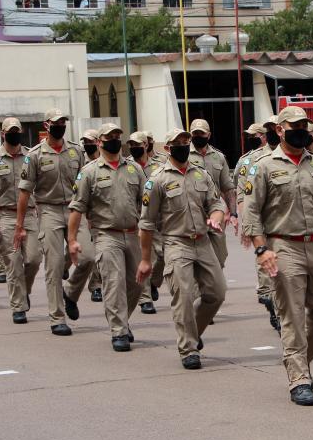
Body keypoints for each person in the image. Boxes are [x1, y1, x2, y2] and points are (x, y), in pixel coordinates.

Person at [242, 106, 313, 406]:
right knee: (292, 314)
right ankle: (299, 378)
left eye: (305, 125)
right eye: (295, 126)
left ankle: (299, 360)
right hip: (283, 245)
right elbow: (250, 210)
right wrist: (262, 248)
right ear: (280, 130)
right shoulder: (263, 166)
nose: (301, 130)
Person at [138, 127, 226, 367]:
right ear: (167, 148)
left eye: (186, 141)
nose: (184, 144)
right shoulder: (156, 181)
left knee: (216, 293)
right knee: (184, 296)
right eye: (178, 142)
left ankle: (193, 332)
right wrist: (146, 260)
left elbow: (217, 203)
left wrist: (217, 217)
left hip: (204, 241)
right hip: (176, 243)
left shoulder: (201, 175)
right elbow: (146, 223)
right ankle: (188, 349)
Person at [16, 108, 92, 336]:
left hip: (75, 209)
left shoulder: (76, 152)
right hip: (48, 210)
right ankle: (57, 317)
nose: (61, 125)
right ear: (47, 125)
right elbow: (24, 192)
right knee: (54, 264)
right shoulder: (35, 155)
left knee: (88, 256)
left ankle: (70, 293)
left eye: (63, 122)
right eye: (56, 122)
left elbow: (86, 185)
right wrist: (20, 226)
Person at [69, 123, 145, 351]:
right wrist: (72, 239)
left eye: (117, 136)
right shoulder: (89, 172)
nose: (114, 140)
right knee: (114, 283)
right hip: (106, 234)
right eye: (109, 137)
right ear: (100, 142)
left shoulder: (134, 169)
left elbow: (147, 202)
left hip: (132, 234)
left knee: (137, 284)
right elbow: (77, 208)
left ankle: (123, 319)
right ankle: (119, 331)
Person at [0, 117, 41, 324]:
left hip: (30, 214)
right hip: (6, 215)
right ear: (3, 134)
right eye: (10, 131)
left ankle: (24, 293)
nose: (15, 133)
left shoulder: (32, 156)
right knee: (13, 263)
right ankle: (18, 306)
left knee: (33, 259)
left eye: (18, 130)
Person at [234, 120, 281, 331]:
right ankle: (273, 305)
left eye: (274, 130)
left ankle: (278, 304)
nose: (271, 134)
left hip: (286, 221)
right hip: (262, 221)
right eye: (268, 130)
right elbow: (243, 193)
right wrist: (245, 223)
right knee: (267, 265)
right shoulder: (252, 160)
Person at [188, 118, 237, 269]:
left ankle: (214, 284)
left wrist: (233, 213)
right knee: (194, 258)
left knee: (220, 256)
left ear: (208, 135)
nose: (198, 137)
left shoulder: (218, 157)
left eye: (201, 134)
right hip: (193, 213)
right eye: (195, 134)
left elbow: (227, 187)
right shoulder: (184, 156)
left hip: (216, 212)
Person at [128, 131, 165, 315]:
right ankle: (145, 299)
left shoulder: (159, 166)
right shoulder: (127, 166)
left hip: (155, 218)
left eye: (138, 145)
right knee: (142, 258)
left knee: (161, 254)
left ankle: (153, 284)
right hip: (135, 219)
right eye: (131, 145)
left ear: (146, 145)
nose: (134, 148)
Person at [78, 128, 104, 304]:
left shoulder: (106, 159)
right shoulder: (81, 162)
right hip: (85, 211)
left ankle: (96, 285)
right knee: (88, 251)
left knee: (98, 250)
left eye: (90, 141)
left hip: (103, 211)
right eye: (84, 142)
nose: (87, 145)